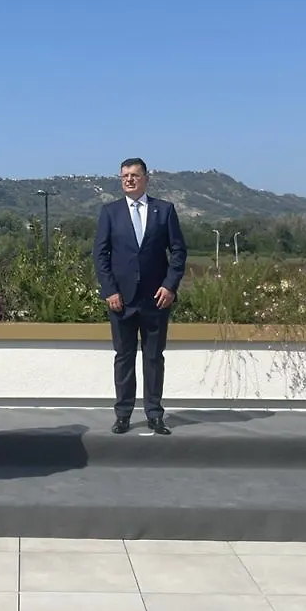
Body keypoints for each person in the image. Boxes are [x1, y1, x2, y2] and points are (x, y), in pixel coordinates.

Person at [92, 157, 187, 436]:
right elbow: (100, 255)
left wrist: (170, 286)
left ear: (146, 178)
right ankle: (123, 414)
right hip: (121, 300)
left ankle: (155, 414)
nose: (129, 180)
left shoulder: (164, 210)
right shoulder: (110, 212)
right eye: (124, 176)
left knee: (154, 358)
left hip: (156, 298)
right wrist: (110, 290)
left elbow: (178, 251)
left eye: (134, 175)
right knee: (124, 357)